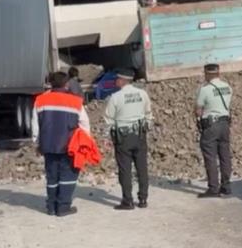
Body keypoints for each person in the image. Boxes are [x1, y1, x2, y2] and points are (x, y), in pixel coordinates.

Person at [32, 71, 90, 217]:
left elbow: (35, 125)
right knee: (68, 175)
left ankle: (51, 206)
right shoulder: (76, 101)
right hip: (69, 145)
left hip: (48, 145)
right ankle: (63, 207)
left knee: (52, 176)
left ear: (50, 84)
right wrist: (85, 143)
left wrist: (37, 143)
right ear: (66, 84)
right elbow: (84, 124)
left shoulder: (40, 100)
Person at [104, 68, 153, 210]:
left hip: (123, 137)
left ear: (123, 80)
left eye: (117, 79)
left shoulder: (116, 97)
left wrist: (109, 136)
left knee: (125, 169)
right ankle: (143, 199)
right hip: (140, 134)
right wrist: (145, 128)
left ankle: (128, 200)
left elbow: (109, 119)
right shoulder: (142, 94)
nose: (115, 81)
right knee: (142, 167)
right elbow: (148, 113)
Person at [195, 64, 233, 198]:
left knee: (210, 157)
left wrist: (199, 122)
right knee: (225, 156)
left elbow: (198, 110)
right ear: (218, 73)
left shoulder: (204, 90)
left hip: (211, 126)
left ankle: (213, 188)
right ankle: (226, 186)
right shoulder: (227, 87)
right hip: (225, 124)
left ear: (207, 73)